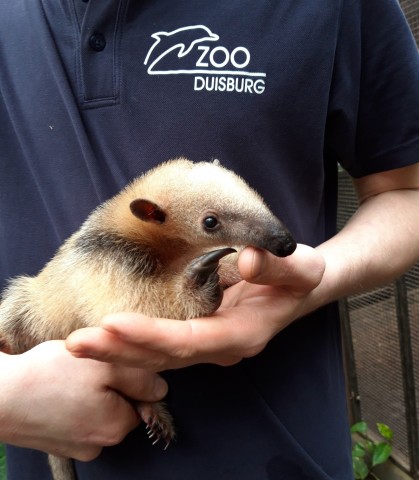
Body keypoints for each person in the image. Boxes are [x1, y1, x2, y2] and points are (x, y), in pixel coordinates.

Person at [1, 1, 419, 479]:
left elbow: (407, 192)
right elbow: (136, 308)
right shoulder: (109, 257)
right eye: (212, 227)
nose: (268, 239)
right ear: (150, 217)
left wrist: (310, 281)